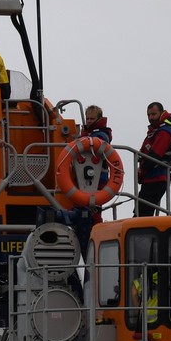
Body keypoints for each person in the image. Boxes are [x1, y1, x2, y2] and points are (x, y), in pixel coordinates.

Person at [64, 104, 114, 250]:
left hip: (98, 177)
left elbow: (92, 147)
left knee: (94, 208)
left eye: (92, 118)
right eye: (88, 118)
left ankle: (96, 230)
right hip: (84, 178)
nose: (89, 120)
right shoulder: (88, 133)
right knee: (83, 207)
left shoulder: (101, 135)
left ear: (98, 118)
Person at [136, 100, 171, 217]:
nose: (151, 117)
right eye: (148, 115)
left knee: (142, 213)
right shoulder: (156, 130)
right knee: (141, 210)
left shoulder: (165, 132)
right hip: (151, 177)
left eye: (154, 114)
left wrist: (142, 170)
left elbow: (154, 156)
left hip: (157, 177)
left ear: (161, 113)